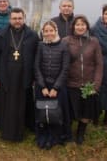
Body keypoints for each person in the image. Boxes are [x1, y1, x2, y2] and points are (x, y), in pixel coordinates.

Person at [0, 7, 39, 142]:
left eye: (20, 18)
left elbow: (37, 58)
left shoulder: (32, 35)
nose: (17, 21)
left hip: (24, 76)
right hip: (6, 75)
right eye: (14, 18)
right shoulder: (2, 34)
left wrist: (35, 77)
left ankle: (22, 127)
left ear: (24, 19)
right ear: (10, 19)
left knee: (22, 102)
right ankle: (5, 128)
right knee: (6, 103)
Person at [63, 15, 103, 145]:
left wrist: (95, 85)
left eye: (83, 24)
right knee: (69, 110)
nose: (80, 27)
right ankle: (67, 133)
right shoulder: (66, 41)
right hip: (71, 83)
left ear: (87, 26)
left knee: (86, 110)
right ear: (73, 26)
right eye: (77, 24)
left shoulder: (94, 42)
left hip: (88, 84)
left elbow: (99, 64)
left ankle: (81, 133)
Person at [34, 20, 70, 149]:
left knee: (57, 113)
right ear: (43, 32)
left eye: (51, 31)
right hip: (42, 86)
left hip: (58, 87)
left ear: (56, 31)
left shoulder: (64, 45)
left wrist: (56, 87)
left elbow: (65, 68)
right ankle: (43, 135)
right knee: (43, 112)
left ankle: (56, 137)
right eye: (46, 31)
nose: (49, 33)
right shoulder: (40, 45)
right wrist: (43, 86)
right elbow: (36, 67)